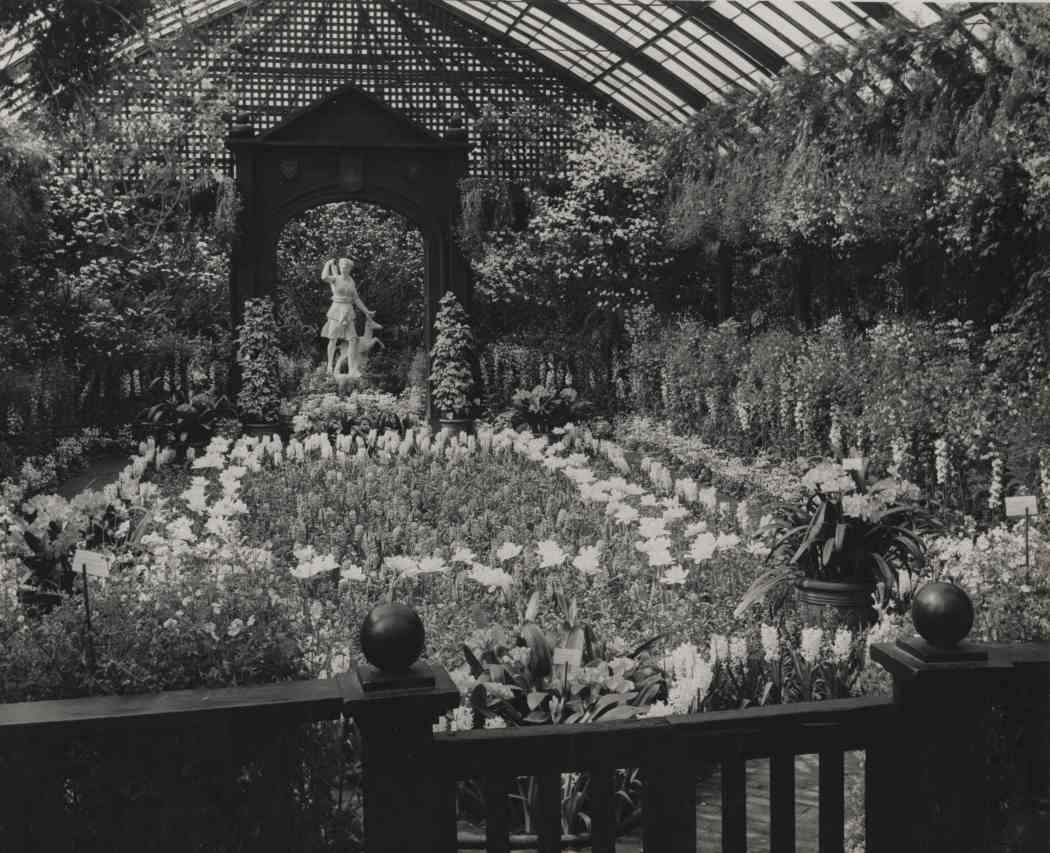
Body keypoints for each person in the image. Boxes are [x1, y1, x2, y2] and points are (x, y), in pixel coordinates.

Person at [320, 257, 378, 376]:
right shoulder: (336, 278)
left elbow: (356, 298)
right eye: (342, 266)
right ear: (340, 267)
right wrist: (327, 264)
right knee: (333, 338)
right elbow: (324, 277)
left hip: (348, 310)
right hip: (336, 310)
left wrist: (366, 311)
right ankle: (330, 366)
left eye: (346, 267)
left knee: (353, 339)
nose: (344, 268)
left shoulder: (351, 281)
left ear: (350, 268)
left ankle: (352, 369)